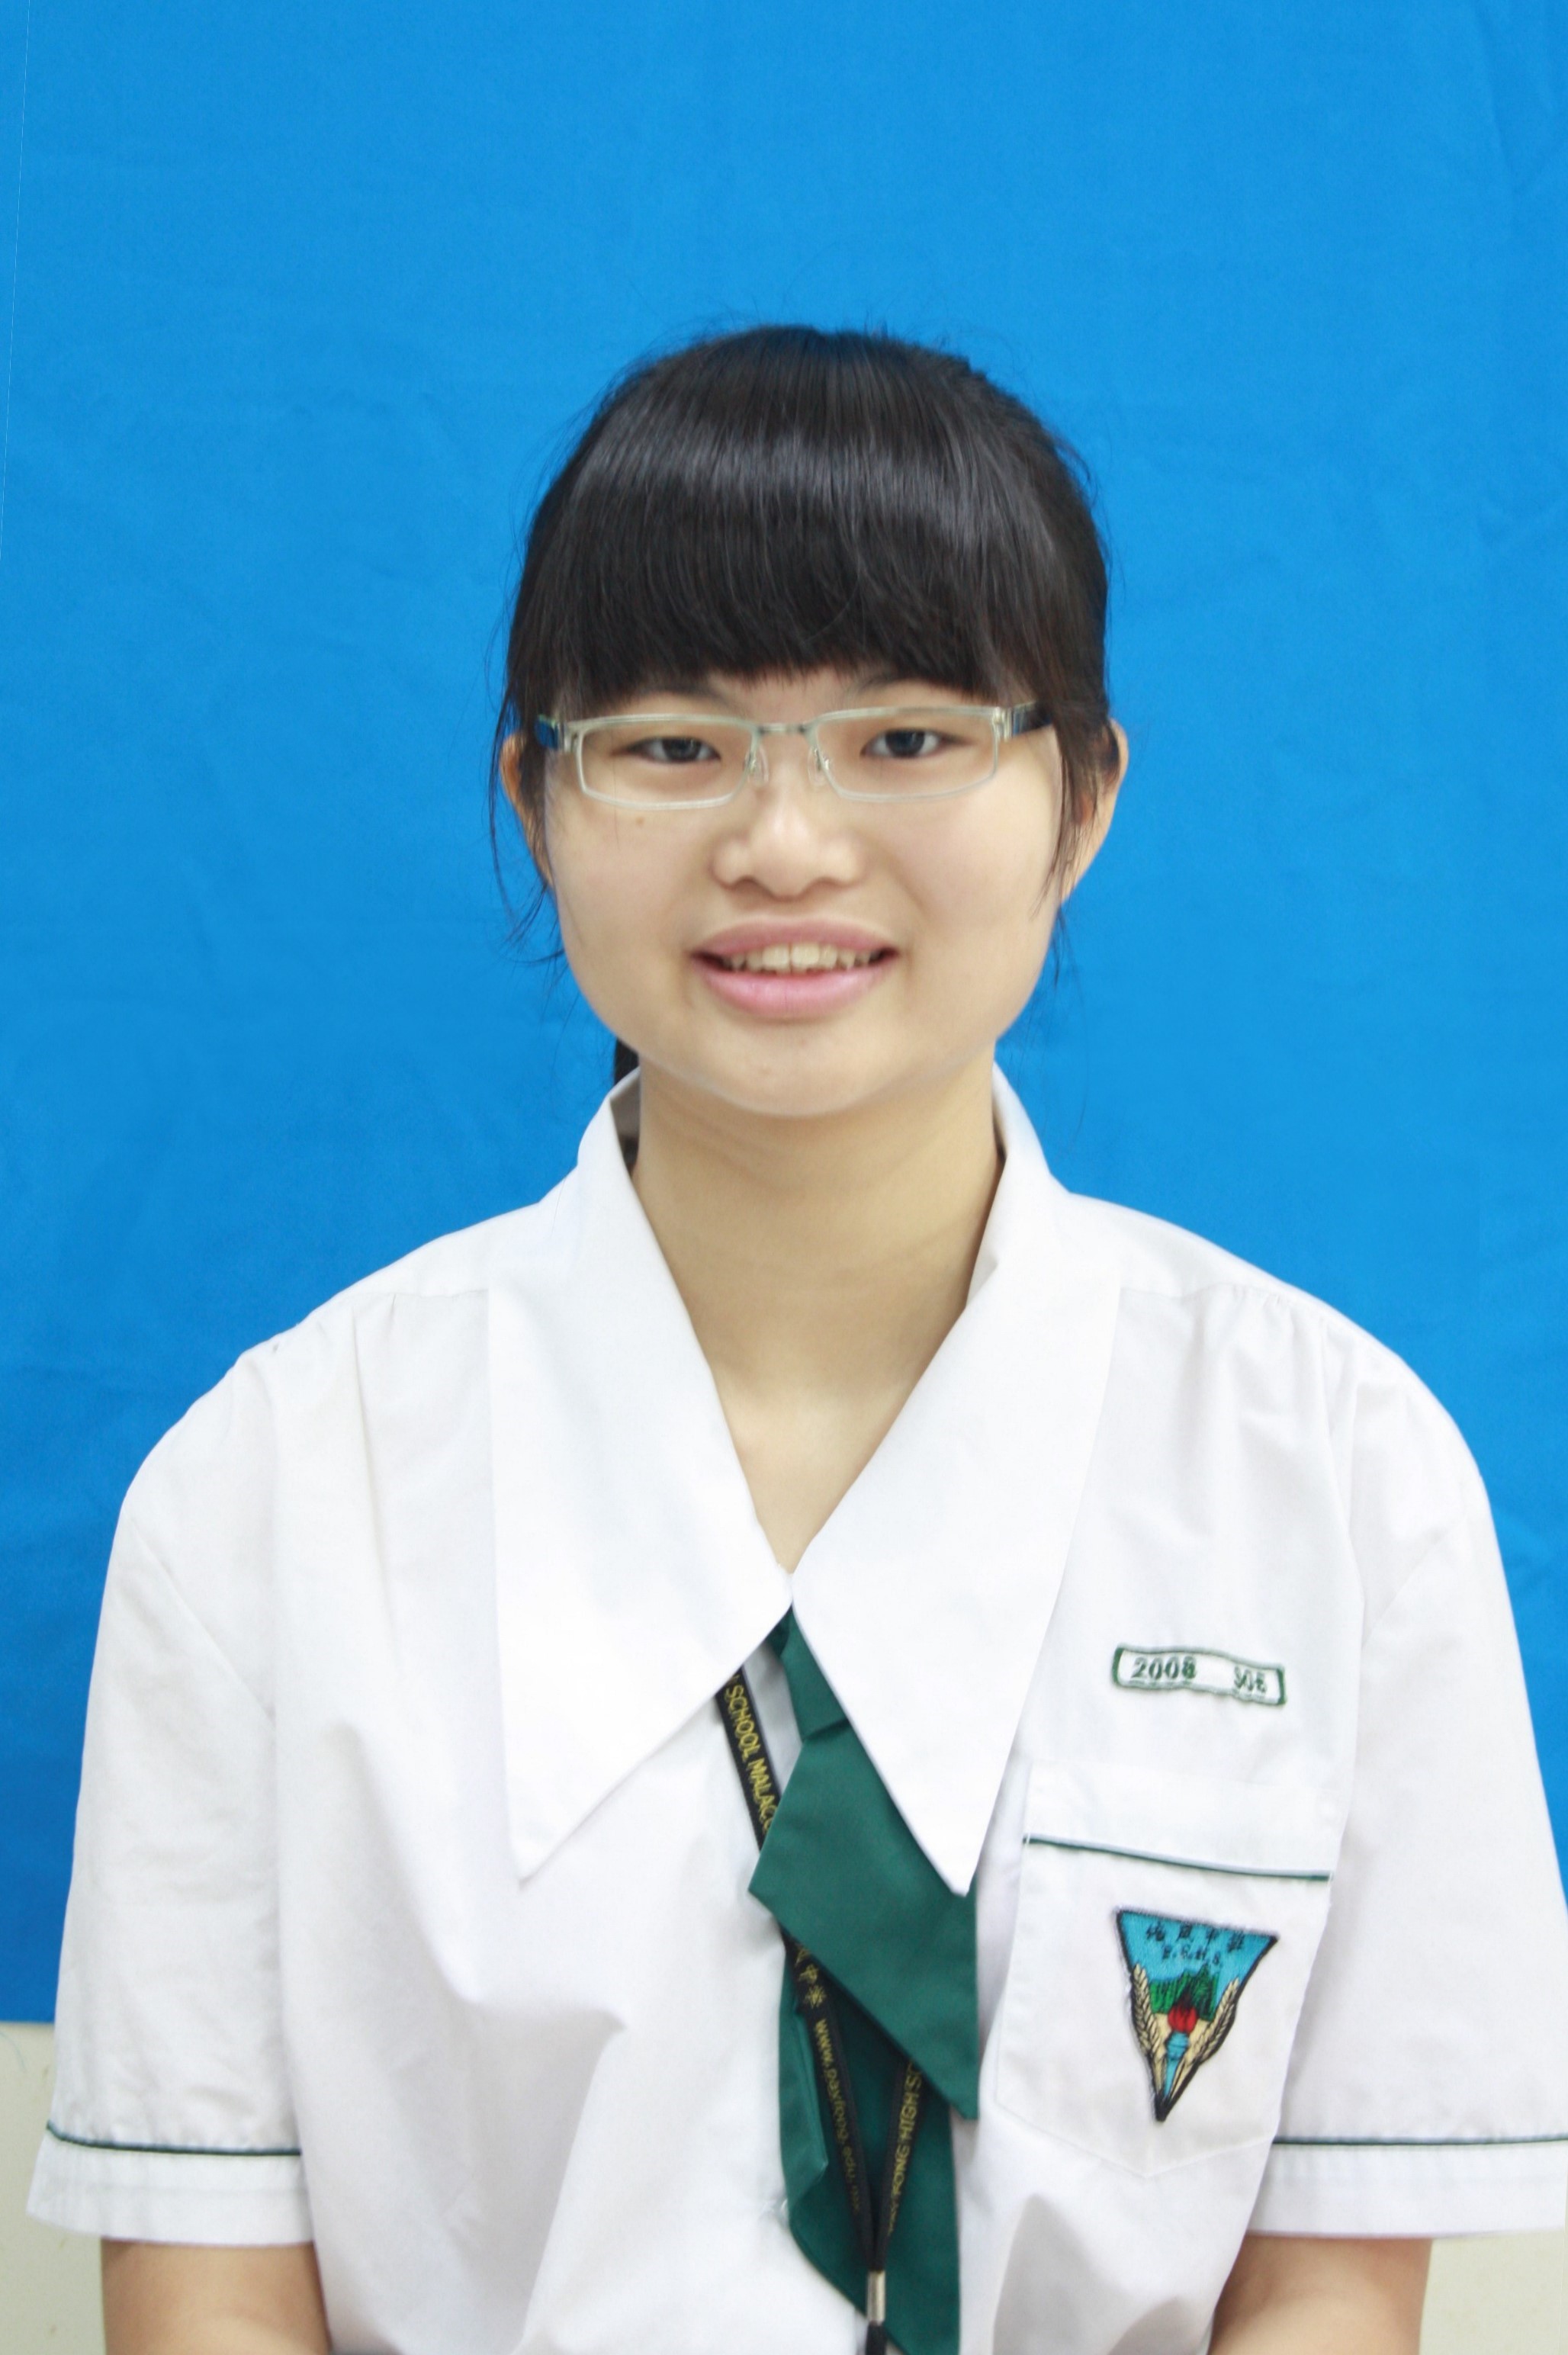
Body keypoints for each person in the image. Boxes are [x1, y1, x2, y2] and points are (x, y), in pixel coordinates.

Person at [30, 326, 1568, 2355]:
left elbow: (1330, 2301)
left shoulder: (1343, 1479)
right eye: (674, 745)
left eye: (905, 737)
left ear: (1085, 797)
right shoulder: (270, 1496)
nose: (785, 843)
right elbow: (211, 2306)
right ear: (535, 798)